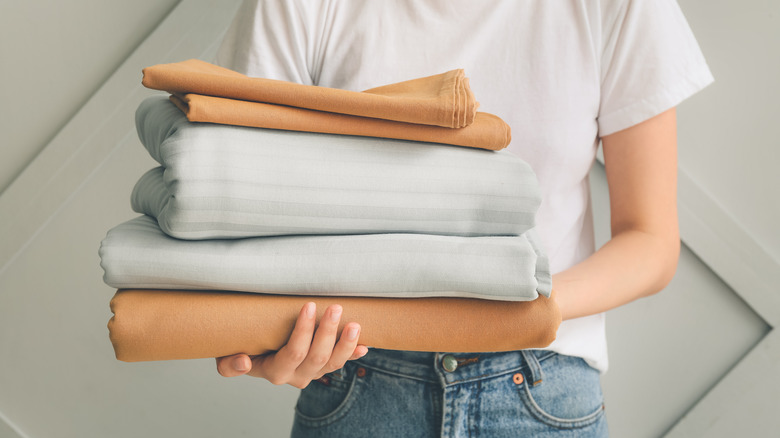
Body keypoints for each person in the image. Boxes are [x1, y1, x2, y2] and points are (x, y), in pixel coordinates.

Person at [212, 1, 713, 436]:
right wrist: (272, 334)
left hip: (541, 381)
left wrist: (529, 310)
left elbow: (650, 241)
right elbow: (249, 210)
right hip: (357, 373)